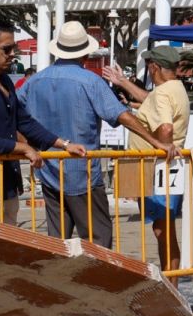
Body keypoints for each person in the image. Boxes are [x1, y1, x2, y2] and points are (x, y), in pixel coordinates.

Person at [18, 21, 167, 246]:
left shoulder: (34, 81)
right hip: (83, 172)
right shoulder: (90, 81)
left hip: (49, 171)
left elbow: (16, 117)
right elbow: (121, 115)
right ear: (85, 53)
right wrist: (155, 142)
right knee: (98, 241)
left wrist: (26, 146)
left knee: (58, 244)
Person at [0, 19, 82, 225]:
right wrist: (23, 147)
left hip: (7, 187)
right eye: (7, 49)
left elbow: (24, 122)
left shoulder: (4, 81)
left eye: (13, 48)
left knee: (7, 254)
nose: (12, 54)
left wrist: (64, 144)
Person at [131, 44, 190, 269]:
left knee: (163, 231)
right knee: (165, 230)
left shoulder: (162, 92)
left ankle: (171, 283)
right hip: (164, 168)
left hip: (157, 169)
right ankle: (171, 281)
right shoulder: (176, 88)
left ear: (154, 67)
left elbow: (165, 128)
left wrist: (161, 147)